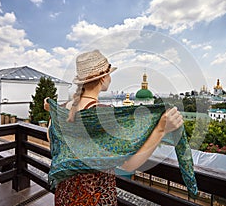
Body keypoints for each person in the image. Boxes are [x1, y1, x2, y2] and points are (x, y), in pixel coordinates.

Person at [44, 49, 184, 205]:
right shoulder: (105, 116)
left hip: (65, 196)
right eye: (109, 73)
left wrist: (52, 111)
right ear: (103, 78)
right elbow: (128, 164)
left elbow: (51, 138)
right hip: (96, 199)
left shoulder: (60, 110)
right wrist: (160, 130)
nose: (110, 77)